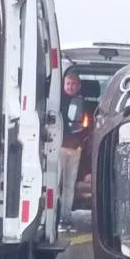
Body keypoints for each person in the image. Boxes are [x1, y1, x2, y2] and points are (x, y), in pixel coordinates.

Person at [58, 69, 85, 231]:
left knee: (69, 185)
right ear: (63, 85)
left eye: (74, 84)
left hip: (75, 149)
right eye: (68, 83)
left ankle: (65, 218)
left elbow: (87, 127)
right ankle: (54, 217)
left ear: (79, 86)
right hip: (59, 147)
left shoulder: (82, 103)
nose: (70, 86)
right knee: (56, 184)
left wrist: (81, 144)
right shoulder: (57, 101)